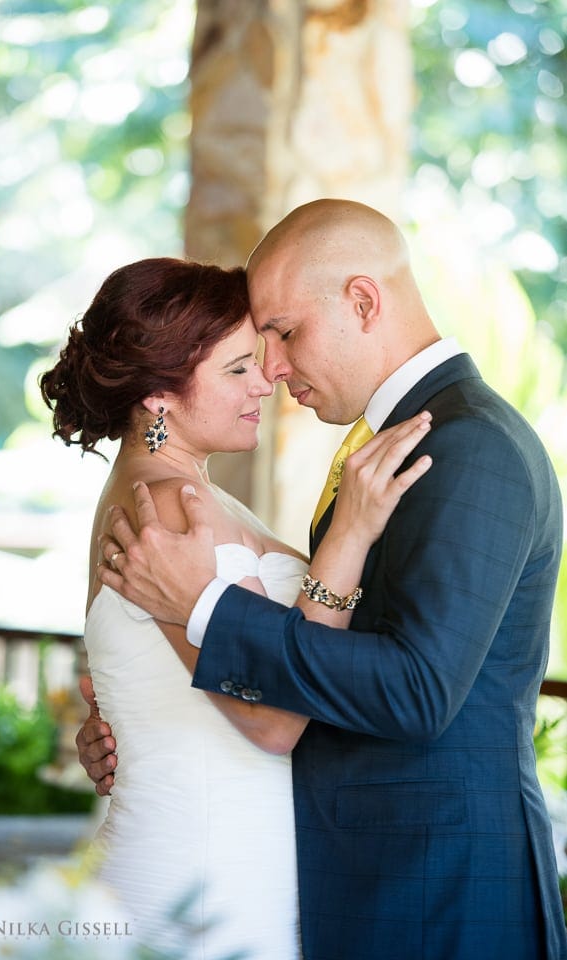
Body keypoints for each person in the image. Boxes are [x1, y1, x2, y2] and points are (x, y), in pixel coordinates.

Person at [86, 200, 567, 960]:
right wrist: (128, 720)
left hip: (437, 889)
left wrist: (202, 609)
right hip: (350, 879)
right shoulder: (393, 445)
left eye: (281, 333)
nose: (271, 371)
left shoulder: (469, 446)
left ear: (362, 301)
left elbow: (417, 689)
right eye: (247, 355)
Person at [40, 255, 432, 959]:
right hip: (200, 875)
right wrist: (350, 534)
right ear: (159, 396)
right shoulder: (167, 505)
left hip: (227, 859)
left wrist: (115, 726)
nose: (265, 383)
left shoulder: (177, 492)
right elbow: (276, 720)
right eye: (236, 369)